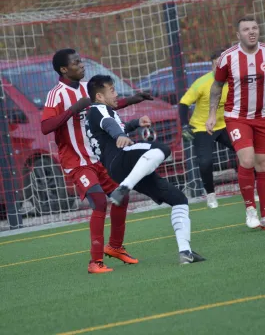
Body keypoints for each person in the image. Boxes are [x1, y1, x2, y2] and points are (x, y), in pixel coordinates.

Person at [41, 48, 153, 274]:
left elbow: (107, 107)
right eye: (76, 63)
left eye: (81, 61)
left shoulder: (87, 89)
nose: (81, 65)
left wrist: (134, 99)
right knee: (100, 202)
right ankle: (95, 262)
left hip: (98, 157)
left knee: (121, 197)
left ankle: (116, 247)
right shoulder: (56, 94)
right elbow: (45, 127)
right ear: (64, 69)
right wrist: (73, 109)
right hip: (76, 161)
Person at [85, 74, 206, 265]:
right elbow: (110, 126)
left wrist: (134, 124)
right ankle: (124, 187)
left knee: (179, 200)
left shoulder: (101, 112)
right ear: (99, 96)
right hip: (122, 159)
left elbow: (116, 126)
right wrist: (118, 135)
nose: (116, 94)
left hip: (122, 167)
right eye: (112, 90)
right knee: (162, 148)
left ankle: (185, 252)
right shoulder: (98, 110)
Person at [206, 17, 265, 229]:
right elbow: (217, 86)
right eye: (246, 29)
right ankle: (250, 209)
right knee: (247, 160)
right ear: (238, 35)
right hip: (236, 117)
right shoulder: (227, 58)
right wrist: (212, 114)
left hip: (262, 117)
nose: (252, 32)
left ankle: (264, 215)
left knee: (262, 164)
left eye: (255, 28)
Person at [179, 49, 236, 209]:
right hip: (202, 128)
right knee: (205, 162)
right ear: (211, 67)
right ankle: (210, 195)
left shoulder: (235, 82)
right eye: (215, 66)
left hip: (226, 125)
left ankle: (253, 188)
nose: (218, 69)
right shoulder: (201, 83)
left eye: (221, 65)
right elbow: (183, 103)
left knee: (245, 152)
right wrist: (184, 124)